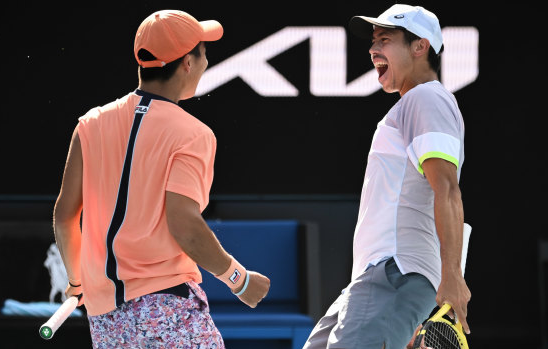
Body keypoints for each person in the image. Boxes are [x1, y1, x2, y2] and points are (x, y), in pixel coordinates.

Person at [52, 9, 270, 348]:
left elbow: (65, 216)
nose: (206, 62)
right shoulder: (193, 134)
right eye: (203, 52)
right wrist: (238, 280)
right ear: (186, 62)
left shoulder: (90, 124)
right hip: (168, 307)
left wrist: (77, 281)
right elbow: (184, 225)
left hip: (105, 318)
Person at [303, 4, 470, 349]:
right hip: (380, 277)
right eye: (373, 41)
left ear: (420, 46)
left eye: (385, 39)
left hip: (396, 272)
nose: (373, 49)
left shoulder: (426, 98)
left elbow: (448, 188)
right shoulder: (415, 103)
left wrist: (451, 274)